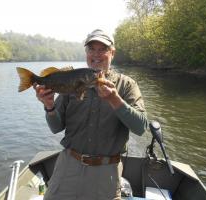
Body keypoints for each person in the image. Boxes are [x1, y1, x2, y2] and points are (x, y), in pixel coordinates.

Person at [33, 29, 148, 200]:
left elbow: (141, 128)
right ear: (86, 52)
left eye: (102, 49)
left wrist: (115, 100)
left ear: (112, 53)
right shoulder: (72, 80)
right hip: (68, 166)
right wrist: (49, 106)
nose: (96, 54)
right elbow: (56, 127)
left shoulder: (127, 85)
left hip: (106, 173)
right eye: (91, 49)